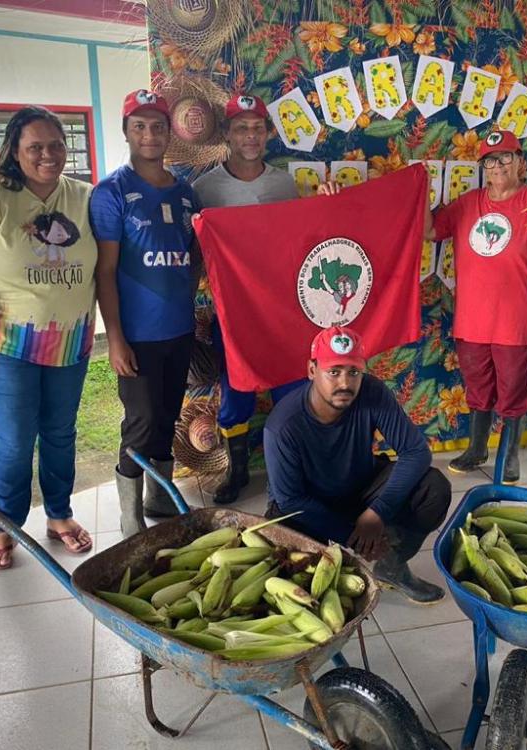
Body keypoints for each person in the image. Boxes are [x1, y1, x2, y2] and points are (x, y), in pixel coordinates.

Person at [0, 106, 97, 570]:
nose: (48, 155)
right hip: (9, 346)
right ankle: (6, 524)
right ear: (15, 150)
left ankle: (59, 515)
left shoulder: (84, 196)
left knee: (60, 433)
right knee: (15, 439)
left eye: (56, 145)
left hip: (70, 343)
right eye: (35, 147)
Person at [429, 130, 527, 483]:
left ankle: (510, 452)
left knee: (513, 389)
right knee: (477, 387)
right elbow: (429, 231)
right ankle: (478, 446)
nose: (497, 166)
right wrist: (415, 196)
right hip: (471, 321)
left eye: (504, 158)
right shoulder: (467, 203)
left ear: (520, 163)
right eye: (489, 160)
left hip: (514, 321)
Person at [263, 326, 452, 604]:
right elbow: (291, 499)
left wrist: (376, 513)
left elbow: (415, 452)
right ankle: (358, 556)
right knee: (281, 561)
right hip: (308, 506)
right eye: (334, 372)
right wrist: (353, 536)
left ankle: (392, 567)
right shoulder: (283, 426)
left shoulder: (372, 393)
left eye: (354, 372)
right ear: (312, 370)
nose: (345, 383)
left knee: (433, 488)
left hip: (361, 490)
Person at [89, 90, 200, 536]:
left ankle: (159, 496)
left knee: (169, 414)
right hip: (136, 334)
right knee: (139, 422)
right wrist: (114, 336)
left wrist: (183, 296)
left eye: (157, 126)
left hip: (179, 330)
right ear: (127, 132)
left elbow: (195, 257)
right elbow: (106, 270)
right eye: (140, 126)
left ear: (169, 133)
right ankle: (130, 517)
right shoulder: (111, 192)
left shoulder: (187, 193)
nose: (149, 135)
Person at [192, 94, 304, 505]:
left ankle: (285, 480)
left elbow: (299, 243)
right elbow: (193, 251)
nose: (251, 136)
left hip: (281, 309)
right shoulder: (204, 189)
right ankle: (237, 470)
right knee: (235, 389)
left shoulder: (284, 183)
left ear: (268, 133)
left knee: (291, 391)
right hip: (232, 310)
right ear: (226, 134)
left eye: (258, 127)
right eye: (241, 128)